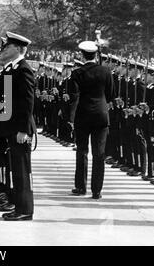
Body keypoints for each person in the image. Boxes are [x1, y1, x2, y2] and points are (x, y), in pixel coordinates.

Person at [0, 32, 35, 221]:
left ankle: (25, 209)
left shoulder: (23, 69)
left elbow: (28, 102)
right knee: (15, 170)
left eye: (9, 47)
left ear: (18, 49)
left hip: (20, 128)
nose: (5, 50)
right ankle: (19, 206)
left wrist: (23, 129)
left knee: (21, 170)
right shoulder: (13, 68)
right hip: (12, 126)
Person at [69, 41, 114, 200]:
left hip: (83, 115)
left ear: (82, 55)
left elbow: (73, 97)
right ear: (96, 55)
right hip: (101, 115)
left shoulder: (77, 73)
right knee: (99, 153)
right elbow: (110, 95)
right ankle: (97, 190)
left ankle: (81, 186)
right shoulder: (106, 71)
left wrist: (71, 117)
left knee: (82, 152)